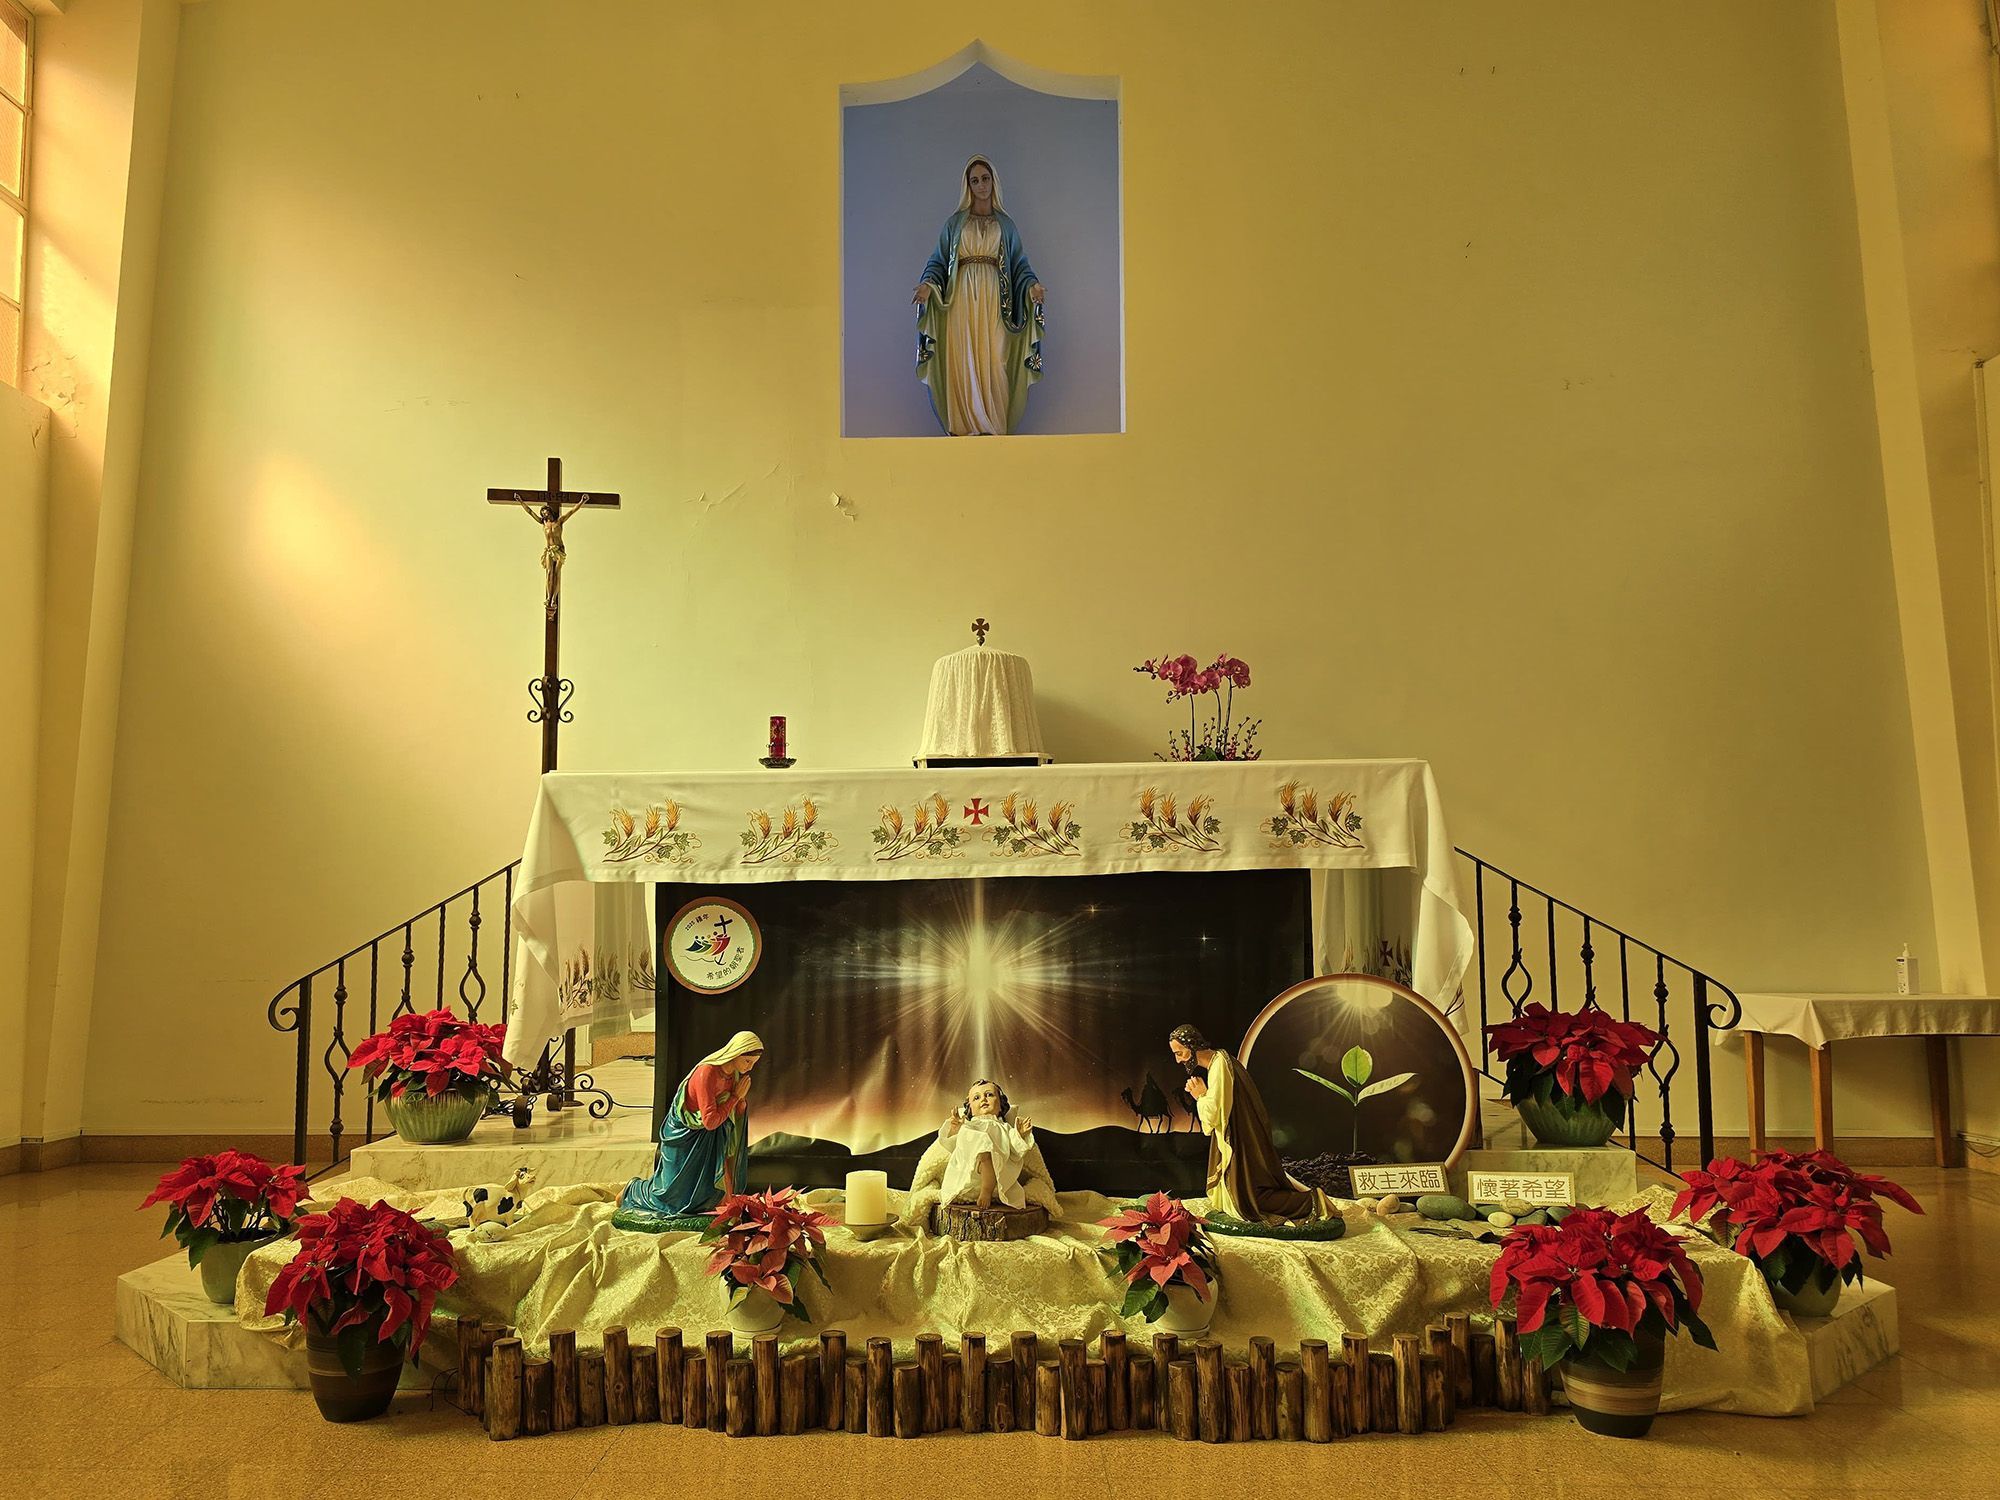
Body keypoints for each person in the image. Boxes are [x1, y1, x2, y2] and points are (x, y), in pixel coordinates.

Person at [911, 155, 1046, 436]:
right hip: (960, 297)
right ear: (968, 186)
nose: (981, 185)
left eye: (985, 179)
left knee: (996, 357)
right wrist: (927, 285)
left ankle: (993, 425)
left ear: (993, 181)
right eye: (975, 181)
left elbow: (1019, 264)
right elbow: (938, 261)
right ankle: (965, 425)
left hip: (996, 297)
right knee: (963, 357)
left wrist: (1032, 285)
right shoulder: (955, 224)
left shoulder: (1006, 225)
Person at [1169, 1024, 1329, 1224]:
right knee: (1242, 1196)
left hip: (1239, 1141)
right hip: (1239, 1136)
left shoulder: (1220, 1066)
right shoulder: (1220, 1062)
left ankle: (1313, 1202)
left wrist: (1200, 1095)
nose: (1178, 1060)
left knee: (1249, 1200)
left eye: (1180, 1053)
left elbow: (1214, 1115)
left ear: (1192, 1047)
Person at [618, 1030, 764, 1218]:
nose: (750, 1067)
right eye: (747, 1061)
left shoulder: (734, 1074)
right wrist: (735, 1097)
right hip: (685, 1134)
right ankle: (632, 1191)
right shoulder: (706, 1073)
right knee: (672, 1194)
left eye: (753, 1063)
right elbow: (709, 1121)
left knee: (708, 1189)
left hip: (712, 1136)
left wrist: (740, 1102)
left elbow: (731, 1112)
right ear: (735, 1053)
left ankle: (724, 1205)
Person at [938, 1078, 1036, 1210]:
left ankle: (987, 1190)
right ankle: (983, 1182)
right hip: (973, 1172)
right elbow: (955, 1144)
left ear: (1000, 1104)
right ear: (970, 1108)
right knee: (977, 1141)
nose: (983, 1099)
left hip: (997, 1170)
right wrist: (957, 1128)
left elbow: (1015, 1148)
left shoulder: (1004, 1127)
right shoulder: (970, 1125)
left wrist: (1020, 1134)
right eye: (976, 1097)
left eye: (989, 1095)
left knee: (988, 1152)